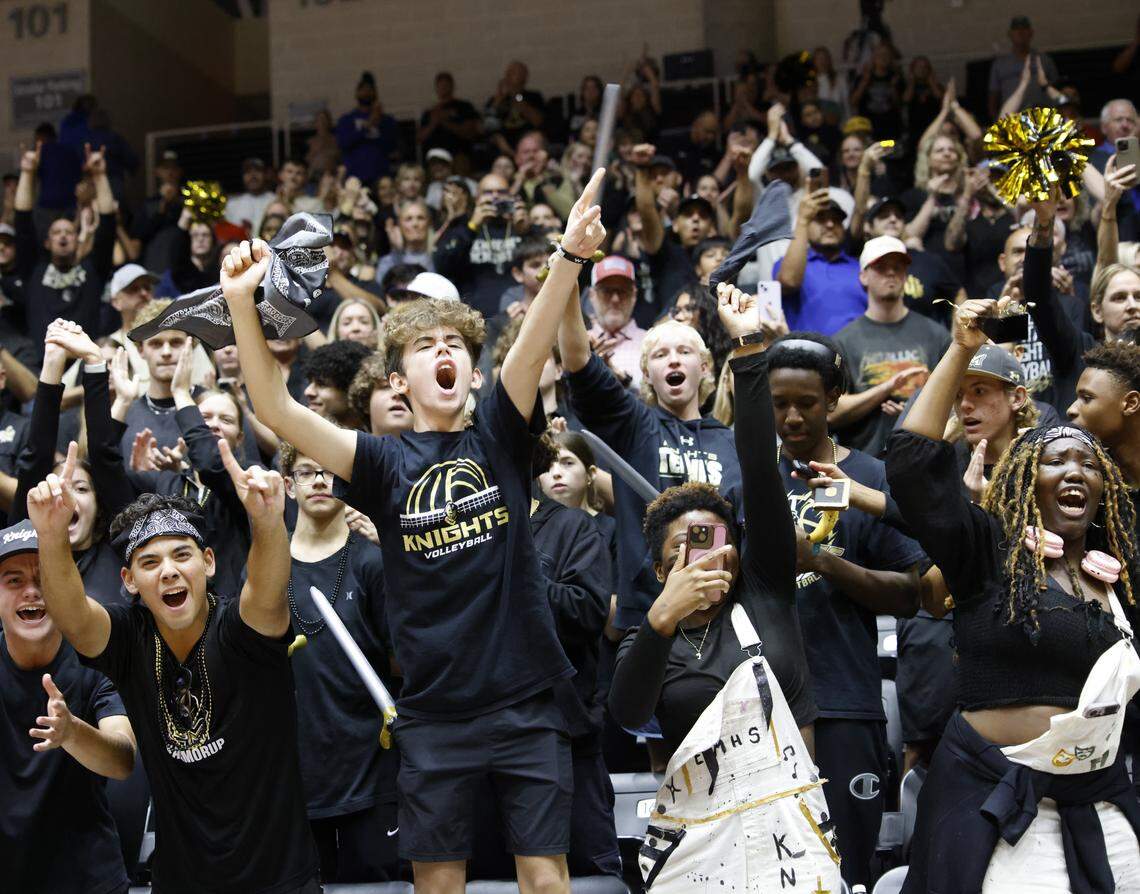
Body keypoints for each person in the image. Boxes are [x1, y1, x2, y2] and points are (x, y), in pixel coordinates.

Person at [223, 171, 608, 892]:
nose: (443, 354)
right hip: (432, 713)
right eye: (425, 345)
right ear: (399, 377)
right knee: (436, 886)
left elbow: (527, 348)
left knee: (548, 882)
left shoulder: (497, 430)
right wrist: (244, 304)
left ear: (470, 365)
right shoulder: (377, 460)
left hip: (526, 701)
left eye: (456, 345)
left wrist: (570, 257)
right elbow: (273, 407)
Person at [885, 297, 1140, 893]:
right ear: (1026, 481)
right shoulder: (988, 551)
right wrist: (962, 347)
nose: (1076, 472)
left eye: (1088, 464)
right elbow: (912, 463)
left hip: (1099, 801)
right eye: (1056, 462)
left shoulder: (1121, 573)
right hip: (990, 798)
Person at [609, 284, 839, 892]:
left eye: (715, 539)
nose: (705, 555)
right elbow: (628, 713)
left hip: (789, 828)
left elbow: (760, 468)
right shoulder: (647, 635)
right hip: (696, 842)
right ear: (660, 570)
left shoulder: (764, 592)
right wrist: (660, 623)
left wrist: (747, 350)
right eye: (685, 547)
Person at [28, 434, 320, 891]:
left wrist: (267, 521)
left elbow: (266, 591)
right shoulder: (132, 638)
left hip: (278, 879)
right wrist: (50, 533)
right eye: (149, 562)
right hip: (182, 880)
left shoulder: (241, 630)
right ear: (128, 580)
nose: (168, 571)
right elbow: (75, 620)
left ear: (208, 562)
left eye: (182, 555)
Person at [766, 331, 925, 887]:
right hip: (760, 705)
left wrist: (821, 562)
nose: (790, 417)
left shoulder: (871, 478)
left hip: (844, 700)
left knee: (846, 870)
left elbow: (911, 591)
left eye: (805, 404)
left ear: (834, 399)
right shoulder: (749, 480)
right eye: (779, 403)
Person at [560, 281, 742, 629]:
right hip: (646, 614)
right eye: (660, 355)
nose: (673, 358)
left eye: (684, 351)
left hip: (720, 617)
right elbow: (578, 360)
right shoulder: (635, 424)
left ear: (704, 368)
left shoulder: (731, 442)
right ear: (647, 374)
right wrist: (569, 284)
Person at [280, 441, 401, 883]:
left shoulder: (372, 560)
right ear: (288, 486)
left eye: (329, 471)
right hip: (296, 775)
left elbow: (404, 658)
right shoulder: (268, 566)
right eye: (307, 472)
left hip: (371, 771)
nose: (319, 480)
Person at [0, 518, 136, 894]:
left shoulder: (97, 658)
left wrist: (73, 732)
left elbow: (123, 759)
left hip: (88, 877)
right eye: (14, 581)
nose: (32, 592)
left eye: (44, 579)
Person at [832, 236, 951, 457]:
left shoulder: (936, 335)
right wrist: (885, 389)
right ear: (863, 276)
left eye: (898, 267)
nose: (891, 273)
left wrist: (911, 413)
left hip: (926, 457)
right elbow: (831, 412)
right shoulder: (843, 341)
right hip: (866, 458)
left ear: (906, 275)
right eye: (881, 267)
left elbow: (956, 405)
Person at [12, 143, 115, 356]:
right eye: (56, 232)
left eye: (68, 232)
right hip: (42, 366)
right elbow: (22, 223)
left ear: (77, 241)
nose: (63, 236)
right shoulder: (35, 272)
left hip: (84, 367)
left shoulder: (92, 271)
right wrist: (27, 172)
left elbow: (107, 225)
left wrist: (100, 175)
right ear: (47, 243)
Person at [433, 172, 526, 318]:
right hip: (475, 317)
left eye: (501, 192)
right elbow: (443, 266)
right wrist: (471, 227)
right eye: (488, 192)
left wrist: (525, 231)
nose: (495, 196)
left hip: (518, 315)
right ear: (477, 198)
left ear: (511, 196)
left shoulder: (521, 226)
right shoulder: (463, 226)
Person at [775, 190, 865, 335]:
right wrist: (803, 220)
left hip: (859, 353)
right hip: (806, 354)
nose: (830, 224)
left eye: (837, 220)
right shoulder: (789, 265)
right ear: (807, 227)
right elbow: (789, 281)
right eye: (820, 218)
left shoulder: (861, 268)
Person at [586, 255, 647, 389]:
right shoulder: (580, 343)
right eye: (606, 291)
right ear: (592, 295)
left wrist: (624, 381)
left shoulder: (651, 342)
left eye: (623, 291)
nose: (615, 299)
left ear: (634, 296)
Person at [987, 15, 1060, 119]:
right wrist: (998, 123)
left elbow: (1056, 92)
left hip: (1041, 120)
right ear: (1010, 34)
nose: (1020, 33)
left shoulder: (1044, 60)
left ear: (1031, 33)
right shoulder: (999, 64)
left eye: (1024, 29)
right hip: (1012, 120)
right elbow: (993, 99)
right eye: (1016, 29)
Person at [336, 72, 400, 184]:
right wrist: (368, 125)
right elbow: (343, 143)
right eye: (363, 90)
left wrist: (380, 122)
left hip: (381, 177)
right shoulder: (347, 120)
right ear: (357, 93)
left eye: (370, 90)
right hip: (355, 177)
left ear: (375, 93)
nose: (366, 93)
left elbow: (392, 146)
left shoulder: (387, 120)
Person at [301, 340, 370, 430]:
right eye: (310, 382)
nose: (308, 392)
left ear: (352, 389)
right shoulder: (300, 439)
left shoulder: (380, 440)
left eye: (322, 384)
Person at [418, 72, 481, 168]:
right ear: (436, 88)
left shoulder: (464, 107)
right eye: (440, 85)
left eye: (446, 85)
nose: (443, 88)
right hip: (435, 159)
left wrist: (445, 122)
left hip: (460, 156)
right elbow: (419, 138)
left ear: (452, 86)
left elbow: (470, 132)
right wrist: (434, 122)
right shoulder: (430, 112)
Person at [347, 353, 415, 438]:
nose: (397, 394)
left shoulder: (436, 450)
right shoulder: (344, 449)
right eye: (385, 386)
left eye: (407, 388)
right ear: (366, 402)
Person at [484, 61, 545, 155]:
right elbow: (487, 124)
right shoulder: (496, 99)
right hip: (502, 140)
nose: (508, 77)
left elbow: (538, 121)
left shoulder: (533, 96)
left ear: (524, 78)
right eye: (508, 73)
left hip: (525, 136)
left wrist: (515, 95)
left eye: (513, 73)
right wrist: (498, 99)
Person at [223, 158, 275, 238]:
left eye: (258, 171)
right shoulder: (232, 205)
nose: (253, 176)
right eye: (248, 172)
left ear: (266, 174)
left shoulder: (276, 201)